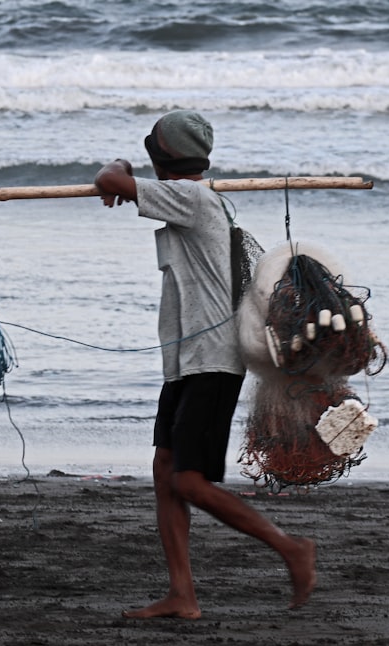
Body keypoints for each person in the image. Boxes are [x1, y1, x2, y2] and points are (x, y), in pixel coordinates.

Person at [94, 110, 316, 619]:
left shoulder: (190, 197)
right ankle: (182, 594)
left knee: (190, 481)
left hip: (213, 360)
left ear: (162, 156)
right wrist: (126, 179)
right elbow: (121, 182)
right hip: (186, 361)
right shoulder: (191, 197)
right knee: (165, 469)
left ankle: (291, 548)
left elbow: (110, 178)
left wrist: (121, 172)